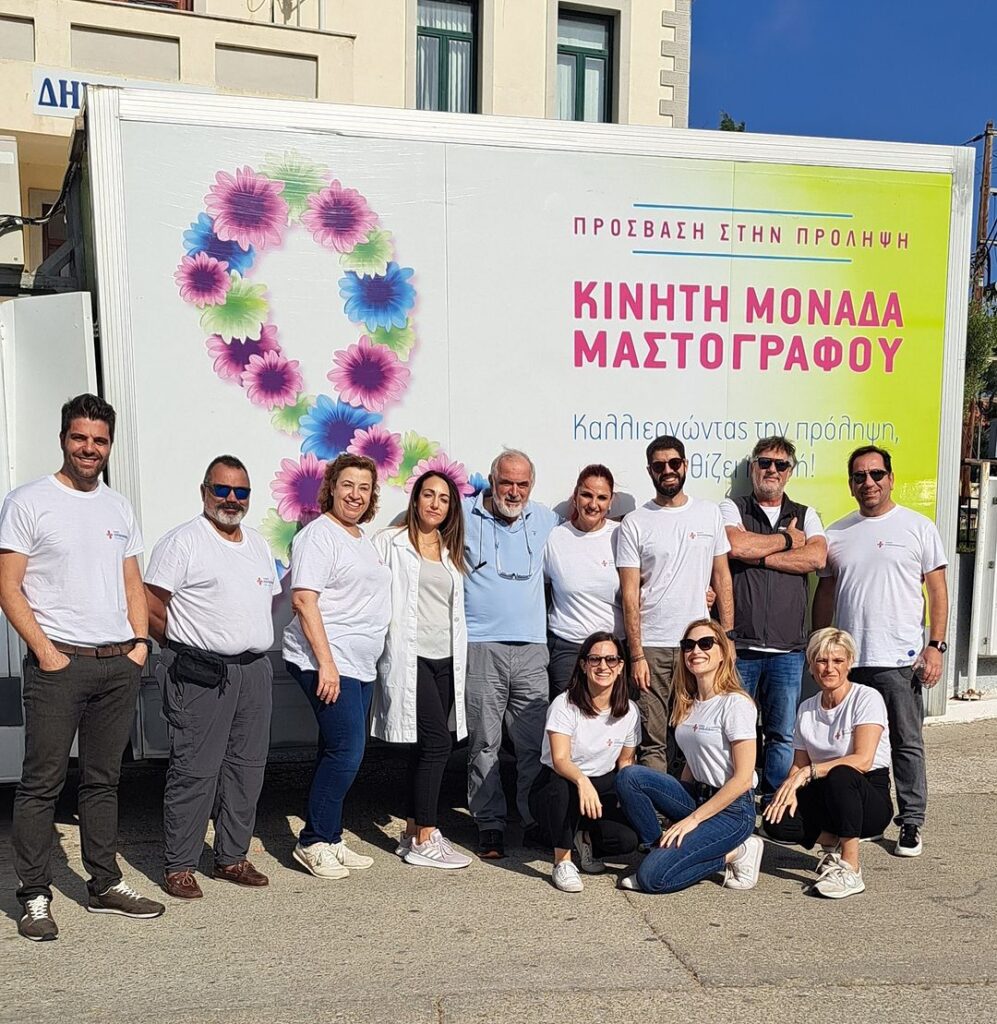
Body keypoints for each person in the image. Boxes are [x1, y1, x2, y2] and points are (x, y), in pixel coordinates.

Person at [0, 393, 165, 941]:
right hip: (59, 666)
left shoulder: (118, 507)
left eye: (99, 440)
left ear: (109, 446)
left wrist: (139, 644)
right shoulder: (28, 501)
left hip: (117, 664)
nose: (89, 448)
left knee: (103, 782)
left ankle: (104, 884)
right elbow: (8, 586)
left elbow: (131, 580)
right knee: (41, 785)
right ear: (63, 439)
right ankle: (34, 894)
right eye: (80, 437)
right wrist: (47, 652)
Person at [145, 455, 282, 899]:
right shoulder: (183, 542)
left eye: (240, 491)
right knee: (195, 771)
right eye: (221, 489)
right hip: (200, 671)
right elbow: (150, 604)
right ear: (204, 491)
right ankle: (180, 865)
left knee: (247, 769)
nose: (231, 499)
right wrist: (181, 647)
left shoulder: (257, 544)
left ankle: (232, 858)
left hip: (253, 670)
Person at [813, 445, 948, 858]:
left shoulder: (918, 527)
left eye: (876, 474)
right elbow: (826, 592)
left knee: (906, 742)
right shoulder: (836, 533)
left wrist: (936, 646)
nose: (868, 482)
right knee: (853, 746)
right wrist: (819, 643)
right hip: (848, 662)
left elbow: (938, 590)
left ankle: (911, 822)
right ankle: (866, 817)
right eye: (860, 476)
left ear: (890, 478)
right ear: (850, 483)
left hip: (899, 659)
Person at [282, 453, 391, 879]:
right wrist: (326, 665)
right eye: (348, 485)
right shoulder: (318, 535)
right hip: (329, 660)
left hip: (359, 664)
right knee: (347, 751)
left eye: (364, 488)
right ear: (331, 488)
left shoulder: (361, 537)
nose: (356, 495)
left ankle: (330, 835)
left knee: (336, 749)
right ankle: (312, 841)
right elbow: (303, 599)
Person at [615, 619, 761, 894]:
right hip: (697, 796)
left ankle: (737, 852)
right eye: (688, 645)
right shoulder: (688, 703)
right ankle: (658, 851)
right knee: (629, 776)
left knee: (652, 880)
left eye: (706, 644)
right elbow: (694, 761)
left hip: (732, 810)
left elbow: (743, 779)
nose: (696, 651)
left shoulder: (736, 704)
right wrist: (677, 814)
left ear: (722, 652)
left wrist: (692, 820)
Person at [462, 448, 560, 859]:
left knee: (532, 744)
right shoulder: (464, 515)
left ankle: (534, 819)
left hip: (533, 648)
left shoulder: (546, 519)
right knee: (484, 742)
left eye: (522, 484)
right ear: (492, 481)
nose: (514, 492)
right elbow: (416, 531)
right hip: (481, 646)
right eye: (506, 483)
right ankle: (489, 823)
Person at [720, 435, 827, 810]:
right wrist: (787, 540)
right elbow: (735, 546)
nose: (772, 470)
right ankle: (737, 802)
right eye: (764, 462)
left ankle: (773, 804)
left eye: (780, 465)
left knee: (782, 734)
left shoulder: (805, 513)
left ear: (790, 472)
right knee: (737, 731)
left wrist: (760, 556)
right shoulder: (732, 508)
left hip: (788, 650)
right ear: (753, 468)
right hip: (741, 646)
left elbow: (816, 558)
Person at [372, 470, 472, 870]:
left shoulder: (450, 550)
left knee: (423, 746)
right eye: (428, 495)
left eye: (444, 499)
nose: (435, 504)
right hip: (409, 657)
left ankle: (412, 831)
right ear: (415, 500)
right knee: (437, 744)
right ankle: (428, 837)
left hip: (445, 659)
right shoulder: (390, 542)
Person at [617, 435, 734, 773]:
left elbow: (722, 577)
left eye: (673, 463)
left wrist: (727, 637)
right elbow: (629, 594)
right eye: (659, 465)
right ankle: (656, 803)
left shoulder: (709, 514)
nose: (667, 470)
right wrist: (636, 655)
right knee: (653, 740)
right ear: (650, 471)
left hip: (698, 645)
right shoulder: (635, 522)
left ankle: (690, 801)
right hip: (652, 647)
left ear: (685, 465)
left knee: (696, 734)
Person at [763, 628, 893, 899]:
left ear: (849, 663)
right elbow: (799, 764)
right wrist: (788, 790)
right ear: (811, 666)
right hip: (824, 791)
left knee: (841, 773)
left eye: (837, 661)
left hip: (865, 795)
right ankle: (834, 840)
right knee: (774, 820)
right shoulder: (807, 708)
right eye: (822, 661)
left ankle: (850, 868)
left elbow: (863, 760)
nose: (829, 668)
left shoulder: (867, 698)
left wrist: (807, 773)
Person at [529, 631, 640, 893]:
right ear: (583, 664)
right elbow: (560, 759)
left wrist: (628, 800)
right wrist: (582, 781)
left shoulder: (630, 711)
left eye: (611, 659)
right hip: (558, 784)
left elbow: (626, 761)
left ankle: (584, 839)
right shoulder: (564, 704)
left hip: (601, 786)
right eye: (595, 659)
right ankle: (562, 861)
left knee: (627, 840)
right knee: (562, 786)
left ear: (620, 666)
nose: (603, 666)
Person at [544, 465, 623, 696]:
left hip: (613, 649)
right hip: (568, 648)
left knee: (612, 714)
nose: (593, 504)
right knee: (568, 713)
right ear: (575, 496)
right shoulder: (555, 537)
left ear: (611, 501)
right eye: (586, 495)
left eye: (602, 498)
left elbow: (648, 581)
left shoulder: (622, 535)